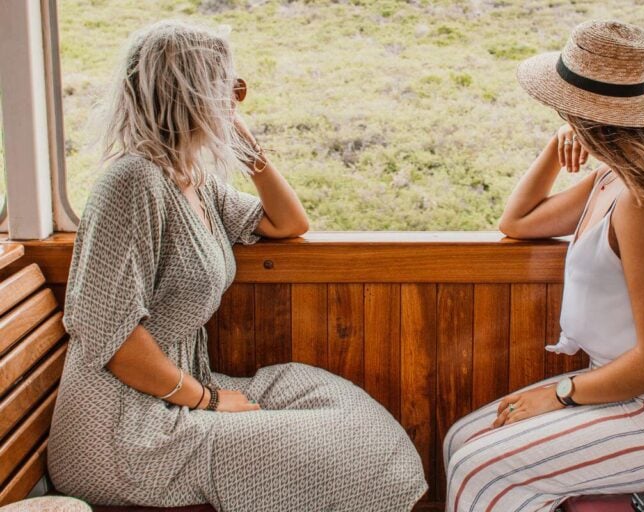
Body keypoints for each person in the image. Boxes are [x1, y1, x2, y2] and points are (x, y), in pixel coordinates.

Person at [47, 19, 427, 512]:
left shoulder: (190, 178)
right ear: (191, 94)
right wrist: (207, 400)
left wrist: (249, 150)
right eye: (231, 88)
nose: (237, 100)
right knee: (349, 454)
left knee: (351, 416)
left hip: (172, 391)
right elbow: (114, 340)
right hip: (123, 431)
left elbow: (288, 223)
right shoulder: (133, 183)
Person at [443, 20, 644, 512]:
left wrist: (561, 394)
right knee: (463, 439)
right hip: (627, 394)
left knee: (482, 467)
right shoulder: (612, 180)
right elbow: (517, 221)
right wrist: (555, 146)